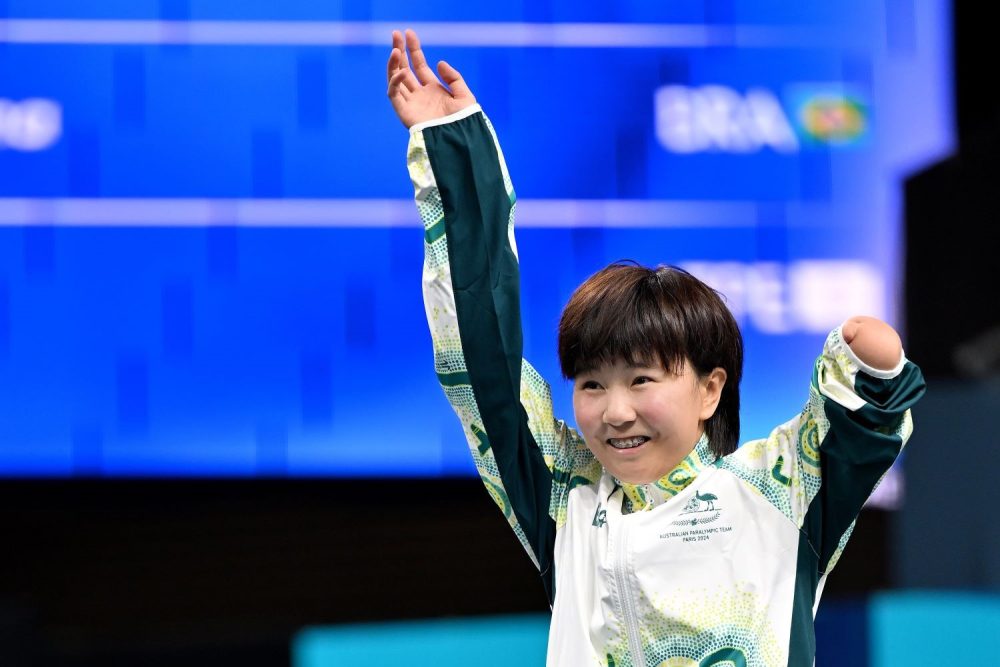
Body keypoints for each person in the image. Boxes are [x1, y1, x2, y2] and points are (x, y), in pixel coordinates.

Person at [387, 28, 925, 667]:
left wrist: (873, 364)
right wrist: (454, 155)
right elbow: (483, 368)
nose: (614, 411)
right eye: (591, 384)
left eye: (641, 380)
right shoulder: (563, 496)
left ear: (710, 388)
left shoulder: (777, 492)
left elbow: (856, 432)